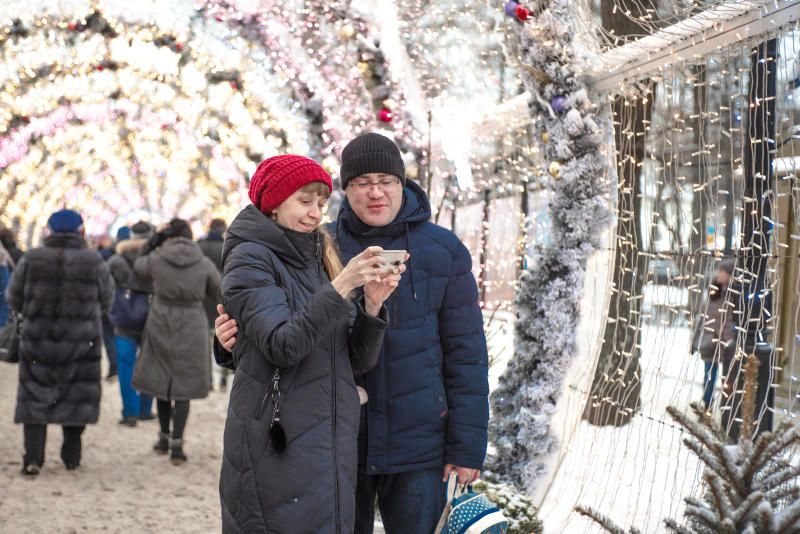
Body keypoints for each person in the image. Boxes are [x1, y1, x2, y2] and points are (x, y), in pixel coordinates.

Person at [215, 133, 490, 533]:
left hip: (417, 442)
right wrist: (229, 342)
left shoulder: (442, 251)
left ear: (402, 184)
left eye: (386, 180)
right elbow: (276, 327)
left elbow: (467, 354)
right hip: (337, 441)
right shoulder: (319, 245)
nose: (375, 192)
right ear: (347, 189)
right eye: (362, 182)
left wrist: (466, 446)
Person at [218, 155, 402, 534]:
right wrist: (341, 287)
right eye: (304, 201)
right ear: (274, 201)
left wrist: (371, 304)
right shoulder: (249, 258)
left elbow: (356, 361)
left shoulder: (316, 254)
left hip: (328, 438)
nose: (314, 212)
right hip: (278, 440)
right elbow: (283, 345)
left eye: (320, 203)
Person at [6, 209, 114, 475]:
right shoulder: (93, 261)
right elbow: (107, 299)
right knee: (76, 395)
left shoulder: (32, 258)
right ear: (81, 231)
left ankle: (33, 458)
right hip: (81, 340)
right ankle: (71, 454)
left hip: (37, 339)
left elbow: (13, 296)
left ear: (49, 231)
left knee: (35, 396)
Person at [132, 218, 220, 465]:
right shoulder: (203, 263)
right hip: (192, 322)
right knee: (184, 385)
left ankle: (163, 437)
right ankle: (178, 445)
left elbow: (138, 264)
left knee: (162, 381)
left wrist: (154, 240)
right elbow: (220, 289)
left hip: (161, 319)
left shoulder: (157, 259)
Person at [107, 221, 155, 426]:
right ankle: (145, 409)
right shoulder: (155, 259)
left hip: (124, 320)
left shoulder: (116, 260)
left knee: (126, 366)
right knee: (149, 365)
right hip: (152, 320)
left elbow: (107, 289)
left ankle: (130, 412)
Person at [692, 259, 736, 409]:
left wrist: (728, 338)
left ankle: (726, 410)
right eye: (719, 271)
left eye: (722, 271)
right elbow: (703, 317)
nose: (719, 274)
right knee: (709, 376)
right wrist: (695, 340)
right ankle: (707, 406)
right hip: (710, 342)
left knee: (728, 379)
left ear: (730, 275)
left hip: (727, 344)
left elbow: (732, 319)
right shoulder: (713, 292)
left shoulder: (734, 295)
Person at [197, 217, 229, 391]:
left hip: (200, 301)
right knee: (223, 339)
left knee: (204, 344)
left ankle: (207, 379)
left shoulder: (199, 247)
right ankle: (223, 379)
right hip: (221, 300)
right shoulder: (226, 247)